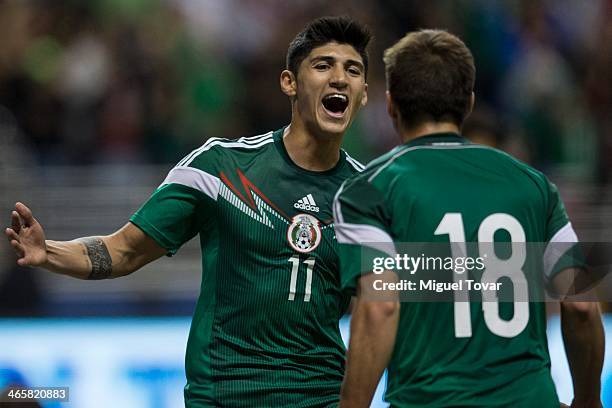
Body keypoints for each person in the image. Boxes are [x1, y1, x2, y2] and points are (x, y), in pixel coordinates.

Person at [5, 16, 370, 407]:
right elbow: (124, 250)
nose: (339, 78)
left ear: (364, 93)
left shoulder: (370, 197)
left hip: (321, 400)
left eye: (353, 70)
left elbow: (384, 309)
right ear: (289, 83)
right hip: (224, 398)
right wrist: (50, 254)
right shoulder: (219, 169)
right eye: (322, 65)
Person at [333, 29, 604, 407]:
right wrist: (588, 401)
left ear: (391, 103)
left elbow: (380, 306)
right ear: (469, 103)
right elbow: (581, 306)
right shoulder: (533, 185)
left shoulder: (368, 189)